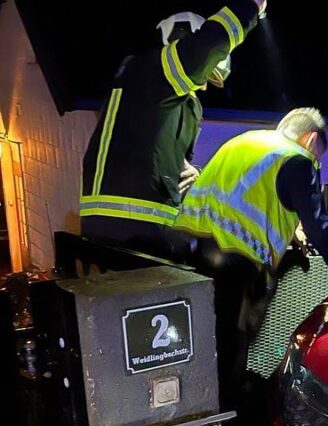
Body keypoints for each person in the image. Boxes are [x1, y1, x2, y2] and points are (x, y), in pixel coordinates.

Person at [174, 107, 328, 408]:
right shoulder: (297, 158)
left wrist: (291, 232)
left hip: (195, 253)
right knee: (231, 351)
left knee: (205, 343)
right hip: (238, 263)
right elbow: (320, 228)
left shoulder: (244, 142)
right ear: (311, 138)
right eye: (317, 154)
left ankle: (202, 406)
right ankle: (232, 420)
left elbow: (245, 198)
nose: (315, 161)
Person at [79, 1, 267, 259]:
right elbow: (205, 48)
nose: (203, 85)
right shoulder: (153, 71)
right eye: (205, 73)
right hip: (130, 227)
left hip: (141, 228)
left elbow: (164, 157)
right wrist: (250, 8)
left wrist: (191, 173)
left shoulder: (160, 97)